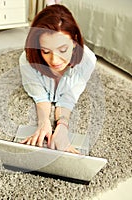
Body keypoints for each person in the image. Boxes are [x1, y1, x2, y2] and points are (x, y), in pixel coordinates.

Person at [19, 4, 96, 153]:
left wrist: (62, 127)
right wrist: (43, 122)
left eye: (62, 50)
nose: (54, 60)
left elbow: (68, 98)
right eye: (46, 51)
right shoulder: (27, 60)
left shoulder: (88, 61)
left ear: (74, 42)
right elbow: (40, 96)